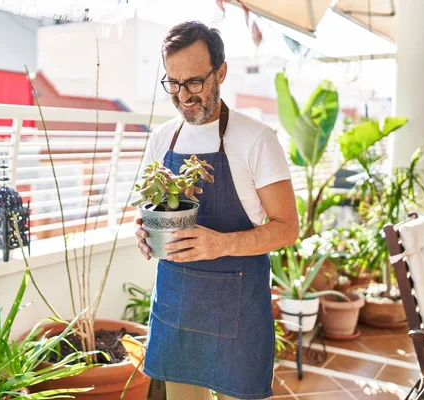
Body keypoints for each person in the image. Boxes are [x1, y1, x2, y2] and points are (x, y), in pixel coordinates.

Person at [135, 21, 299, 400]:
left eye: (194, 82)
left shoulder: (256, 139)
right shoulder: (162, 139)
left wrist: (219, 244)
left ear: (221, 72)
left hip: (238, 316)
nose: (183, 95)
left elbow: (287, 228)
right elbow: (150, 209)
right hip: (177, 308)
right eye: (172, 83)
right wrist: (143, 232)